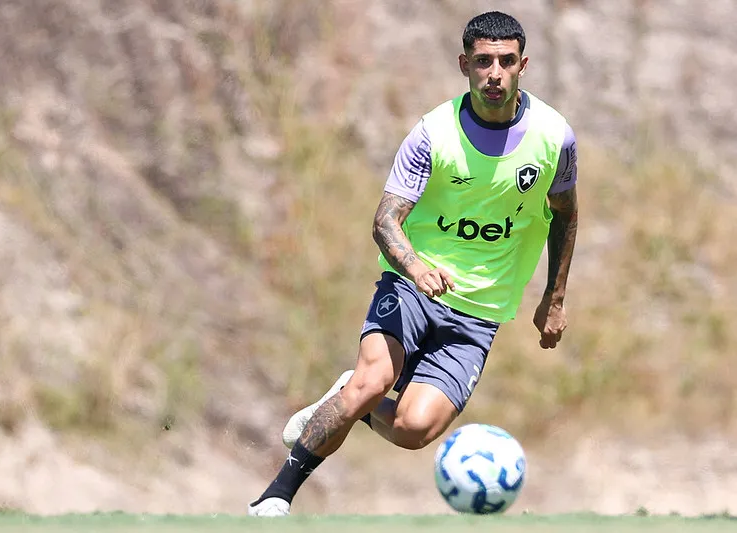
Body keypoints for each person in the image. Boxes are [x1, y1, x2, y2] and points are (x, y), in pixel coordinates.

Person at [248, 10, 579, 517]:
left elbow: (564, 215)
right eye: (483, 61)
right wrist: (418, 268)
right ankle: (276, 494)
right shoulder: (433, 133)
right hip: (411, 287)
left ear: (523, 64)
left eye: (506, 61)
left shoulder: (554, 137)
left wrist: (553, 299)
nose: (495, 73)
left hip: (480, 310)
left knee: (412, 430)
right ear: (464, 64)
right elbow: (385, 222)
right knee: (373, 380)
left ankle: (348, 404)